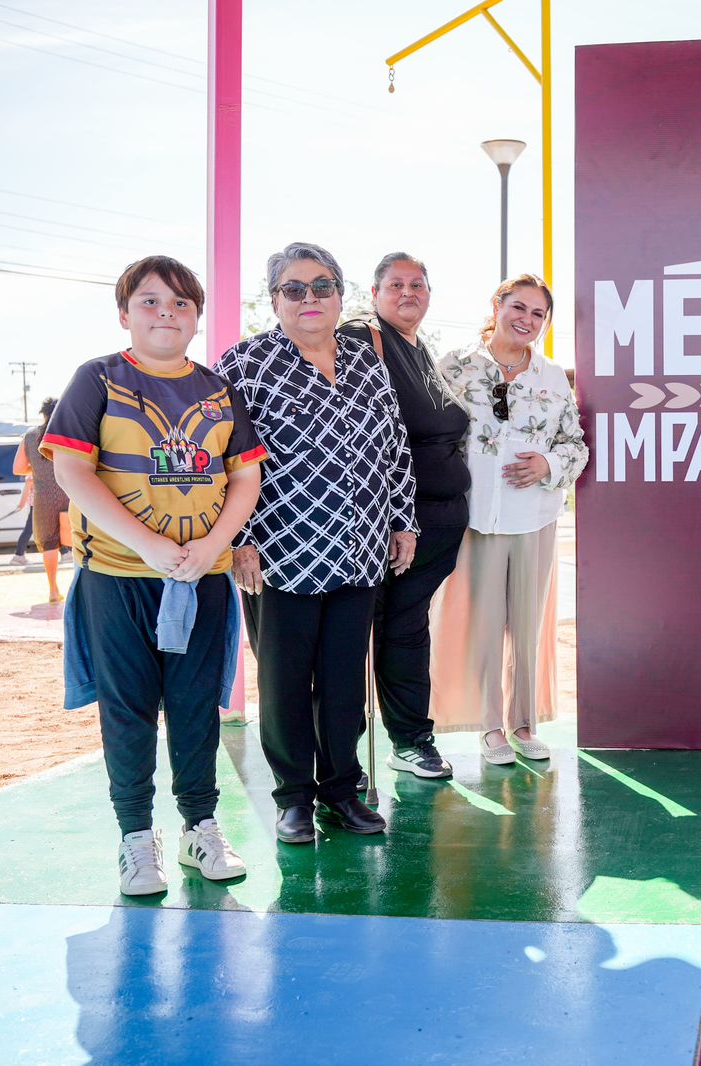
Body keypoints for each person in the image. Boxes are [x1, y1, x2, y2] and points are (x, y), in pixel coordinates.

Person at [45, 255, 264, 896]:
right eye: (149, 301)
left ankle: (201, 827)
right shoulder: (98, 379)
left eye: (180, 303)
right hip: (117, 580)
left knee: (196, 709)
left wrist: (213, 546)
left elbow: (245, 476)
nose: (166, 312)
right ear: (124, 314)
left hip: (202, 579)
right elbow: (71, 471)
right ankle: (137, 838)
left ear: (197, 317)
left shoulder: (217, 390)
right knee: (128, 710)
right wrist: (147, 544)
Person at [222, 242, 418, 845]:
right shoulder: (245, 363)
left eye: (322, 286)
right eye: (294, 288)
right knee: (285, 682)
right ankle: (293, 799)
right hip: (281, 554)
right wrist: (240, 539)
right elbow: (226, 459)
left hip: (360, 547)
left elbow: (393, 445)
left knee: (343, 682)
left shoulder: (365, 360)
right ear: (275, 299)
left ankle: (340, 790)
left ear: (339, 294)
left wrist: (402, 521)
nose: (309, 298)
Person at [433, 274, 587, 765]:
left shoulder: (551, 377)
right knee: (481, 626)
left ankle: (524, 723)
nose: (526, 320)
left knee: (526, 626)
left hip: (534, 517)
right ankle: (490, 727)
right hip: (473, 517)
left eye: (538, 314)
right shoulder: (454, 367)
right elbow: (430, 435)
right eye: (518, 307)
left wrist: (548, 465)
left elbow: (576, 445)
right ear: (497, 305)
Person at [338, 253, 471, 781]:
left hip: (439, 523)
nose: (408, 293)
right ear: (374, 294)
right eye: (395, 284)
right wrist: (398, 518)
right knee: (362, 635)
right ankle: (348, 755)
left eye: (418, 284)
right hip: (391, 522)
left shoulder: (422, 350)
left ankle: (411, 739)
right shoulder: (361, 340)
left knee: (407, 631)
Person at [12, 397, 71, 602]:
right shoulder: (70, 432)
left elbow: (18, 468)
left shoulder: (30, 436)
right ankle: (78, 589)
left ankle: (53, 590)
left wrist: (36, 469)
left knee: (49, 543)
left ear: (43, 414)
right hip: (70, 493)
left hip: (44, 498)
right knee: (78, 540)